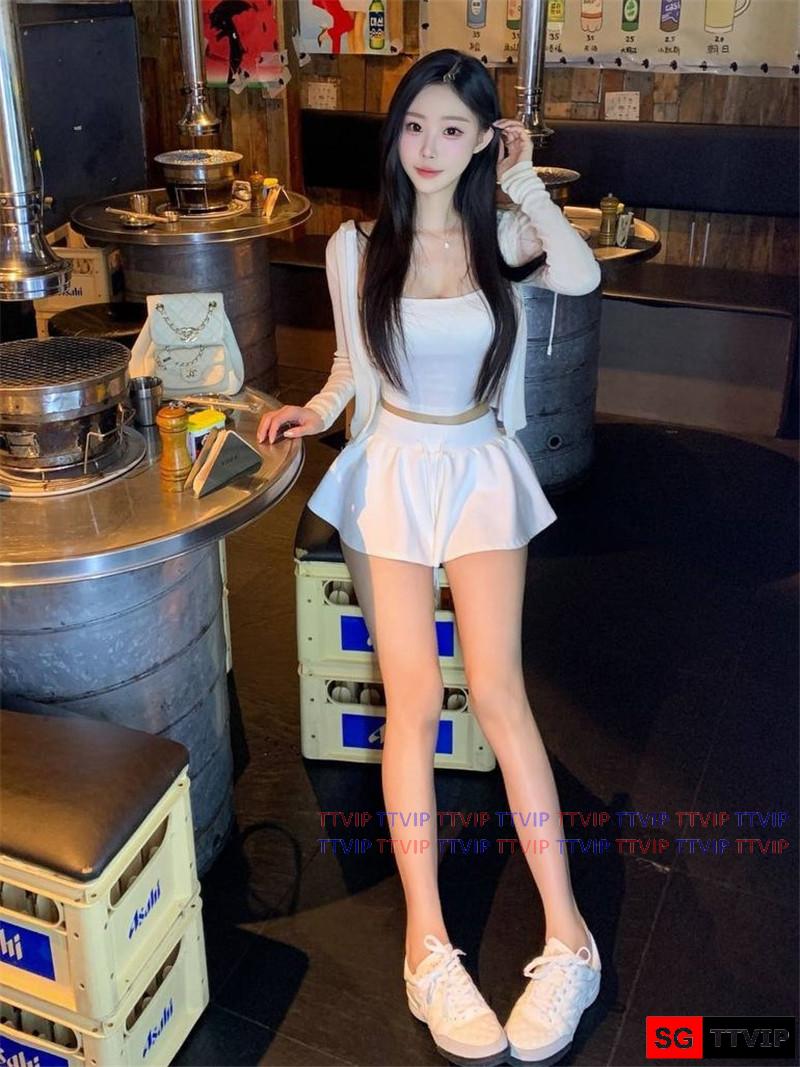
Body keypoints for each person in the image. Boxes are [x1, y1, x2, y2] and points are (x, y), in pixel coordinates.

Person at [258, 48, 601, 1067]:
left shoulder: (503, 235)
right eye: (414, 125)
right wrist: (311, 409)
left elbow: (581, 273)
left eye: (453, 128)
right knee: (409, 697)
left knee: (497, 691)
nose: (428, 146)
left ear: (484, 138)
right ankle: (427, 943)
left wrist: (523, 180)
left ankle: (569, 938)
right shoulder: (356, 244)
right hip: (391, 469)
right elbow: (347, 365)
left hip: (479, 464)